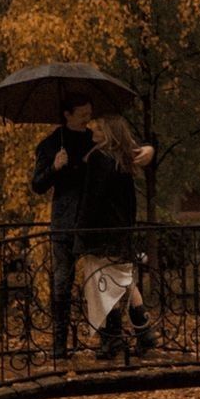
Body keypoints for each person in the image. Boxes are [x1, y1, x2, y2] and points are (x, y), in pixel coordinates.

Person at [31, 95, 153, 358]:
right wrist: (54, 166)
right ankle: (60, 346)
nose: (88, 117)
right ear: (67, 114)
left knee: (104, 281)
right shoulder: (50, 144)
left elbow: (127, 149)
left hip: (96, 224)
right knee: (63, 282)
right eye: (83, 113)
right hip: (64, 224)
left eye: (90, 112)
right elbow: (38, 184)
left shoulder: (95, 138)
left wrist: (149, 150)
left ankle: (111, 340)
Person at [74, 114, 157, 359]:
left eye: (98, 128)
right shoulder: (123, 160)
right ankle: (143, 333)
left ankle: (112, 340)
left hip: (102, 233)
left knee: (106, 283)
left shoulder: (100, 158)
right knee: (123, 279)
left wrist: (82, 232)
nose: (93, 131)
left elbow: (92, 200)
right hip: (121, 230)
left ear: (108, 133)